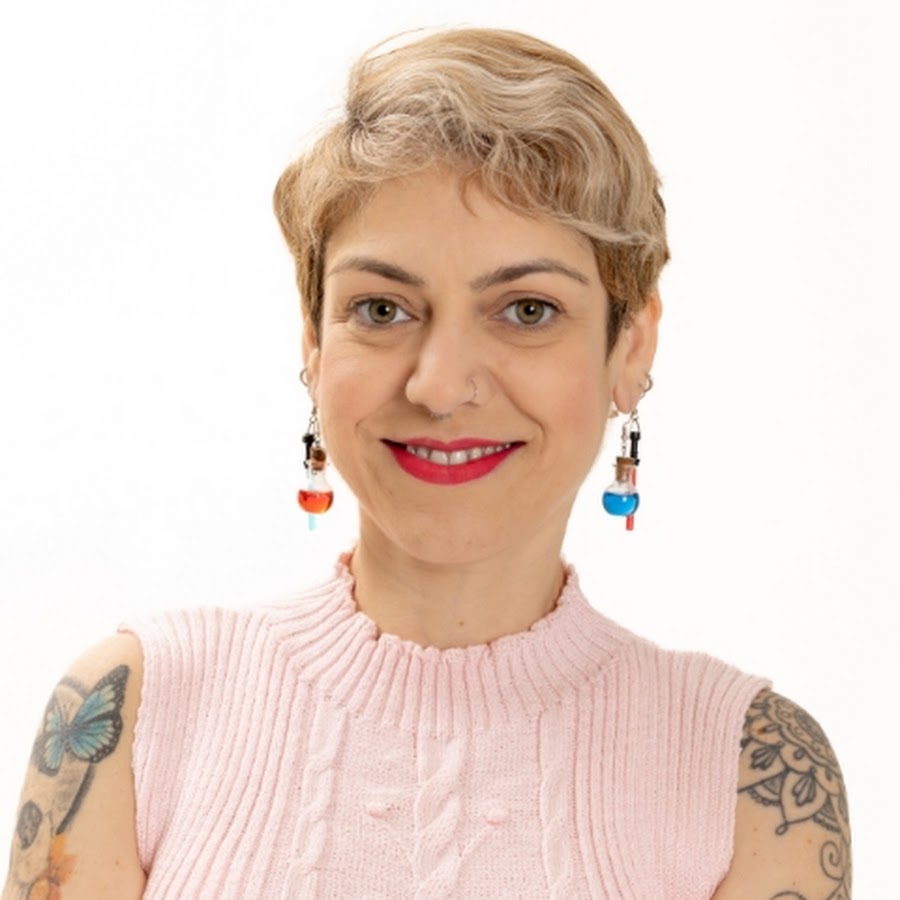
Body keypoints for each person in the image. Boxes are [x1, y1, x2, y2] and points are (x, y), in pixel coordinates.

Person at [3, 28, 851, 899]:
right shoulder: (130, 713)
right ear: (312, 340)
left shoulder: (751, 774)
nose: (440, 386)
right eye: (382, 308)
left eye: (526, 309)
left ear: (631, 346)